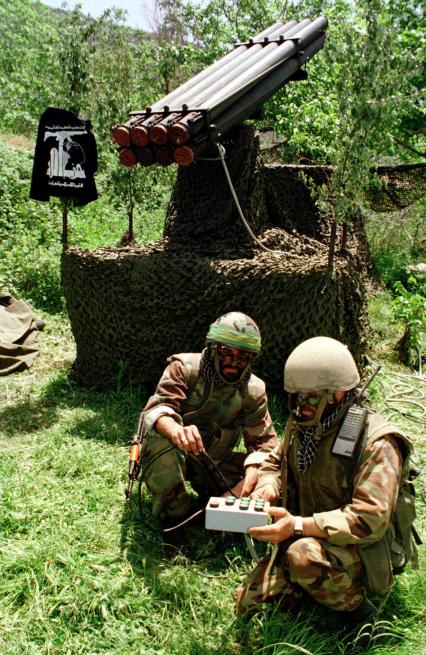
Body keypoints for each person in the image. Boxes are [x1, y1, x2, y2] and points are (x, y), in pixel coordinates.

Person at [237, 336, 417, 629]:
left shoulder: (377, 443)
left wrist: (296, 526)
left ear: (338, 394)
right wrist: (268, 487)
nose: (300, 405)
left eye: (311, 396)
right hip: (308, 535)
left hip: (361, 549)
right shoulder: (302, 425)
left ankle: (360, 612)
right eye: (297, 396)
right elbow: (274, 463)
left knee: (301, 556)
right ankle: (315, 586)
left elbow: (369, 519)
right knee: (247, 602)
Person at [139, 311, 278, 529]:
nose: (233, 363)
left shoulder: (254, 390)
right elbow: (158, 410)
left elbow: (265, 447)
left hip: (213, 460)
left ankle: (222, 512)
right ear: (213, 348)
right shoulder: (184, 369)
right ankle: (175, 518)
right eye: (226, 353)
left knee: (271, 475)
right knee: (161, 442)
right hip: (174, 454)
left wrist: (244, 486)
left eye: (242, 357)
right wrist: (176, 431)